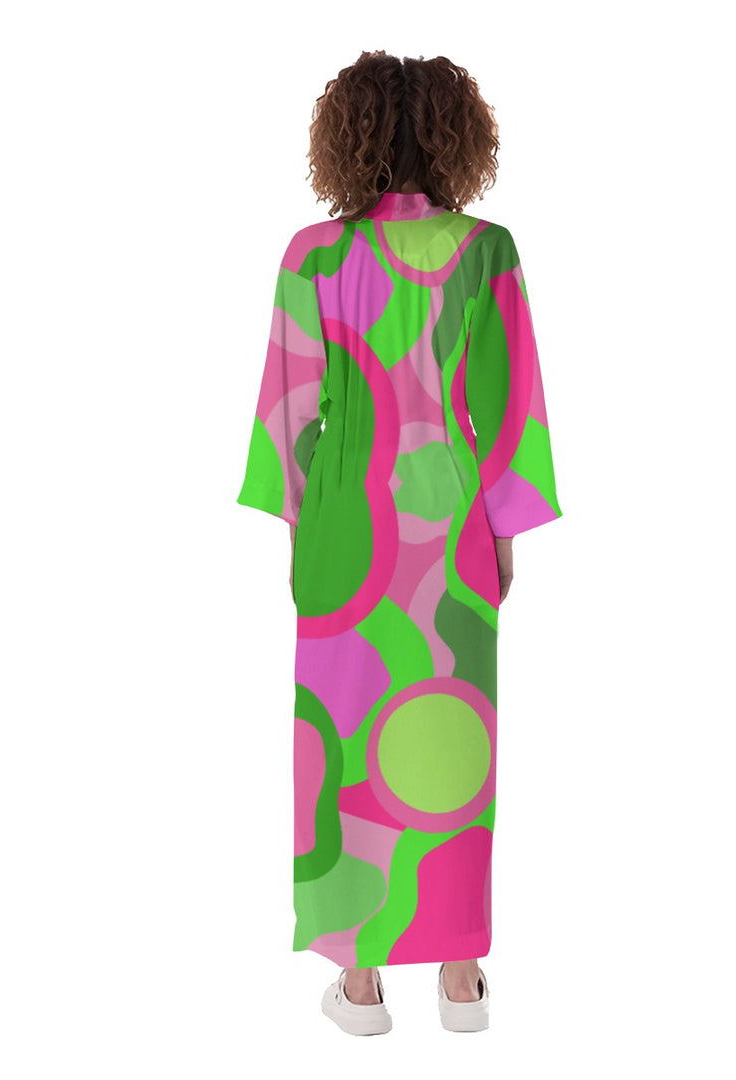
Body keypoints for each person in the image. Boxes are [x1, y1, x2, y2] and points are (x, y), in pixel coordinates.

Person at [236, 50, 563, 1035]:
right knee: (453, 745)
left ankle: (362, 984)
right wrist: (501, 534)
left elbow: (288, 413)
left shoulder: (313, 256)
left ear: (348, 139)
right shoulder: (486, 250)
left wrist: (305, 536)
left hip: (348, 522)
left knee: (342, 744)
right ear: (459, 139)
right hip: (450, 518)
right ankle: (460, 980)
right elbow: (511, 406)